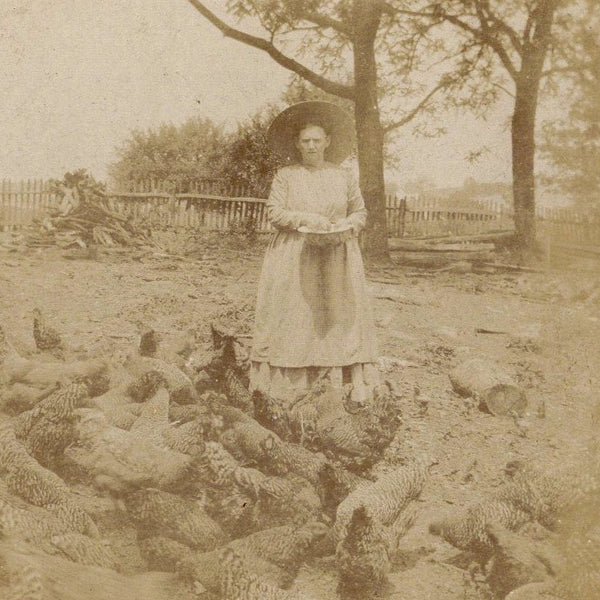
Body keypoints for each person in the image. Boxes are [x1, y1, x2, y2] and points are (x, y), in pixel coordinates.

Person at [249, 101, 378, 408]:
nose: (311, 146)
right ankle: (289, 391)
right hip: (295, 255)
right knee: (296, 317)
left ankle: (346, 388)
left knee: (339, 314)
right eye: (305, 141)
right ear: (297, 144)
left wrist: (348, 223)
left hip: (337, 254)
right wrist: (306, 219)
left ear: (328, 142)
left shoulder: (344, 176)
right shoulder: (286, 176)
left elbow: (359, 211)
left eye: (316, 141)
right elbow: (275, 212)